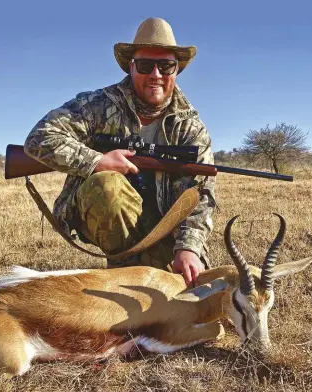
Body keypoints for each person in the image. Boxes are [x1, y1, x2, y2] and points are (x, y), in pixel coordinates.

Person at [24, 17, 215, 285]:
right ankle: (121, 272)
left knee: (183, 289)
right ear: (131, 66)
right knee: (107, 185)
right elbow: (39, 138)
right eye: (146, 65)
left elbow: (200, 193)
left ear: (176, 70)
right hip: (106, 214)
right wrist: (97, 161)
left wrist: (189, 248)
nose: (156, 75)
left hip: (162, 229)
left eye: (166, 65)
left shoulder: (190, 126)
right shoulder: (97, 105)